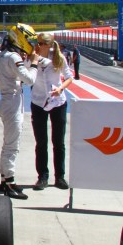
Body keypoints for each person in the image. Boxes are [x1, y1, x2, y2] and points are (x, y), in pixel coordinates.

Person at [0, 23, 40, 199]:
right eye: (28, 39)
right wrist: (34, 64)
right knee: (12, 144)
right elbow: (29, 79)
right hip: (12, 102)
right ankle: (10, 181)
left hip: (7, 100)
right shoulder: (13, 57)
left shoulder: (2, 55)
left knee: (8, 143)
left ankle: (5, 178)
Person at [30, 32, 73, 190]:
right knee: (41, 142)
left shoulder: (58, 58)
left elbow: (69, 77)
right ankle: (42, 176)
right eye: (38, 43)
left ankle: (60, 176)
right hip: (38, 101)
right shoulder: (32, 56)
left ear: (48, 45)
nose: (38, 46)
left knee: (58, 141)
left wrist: (60, 89)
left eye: (41, 43)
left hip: (57, 102)